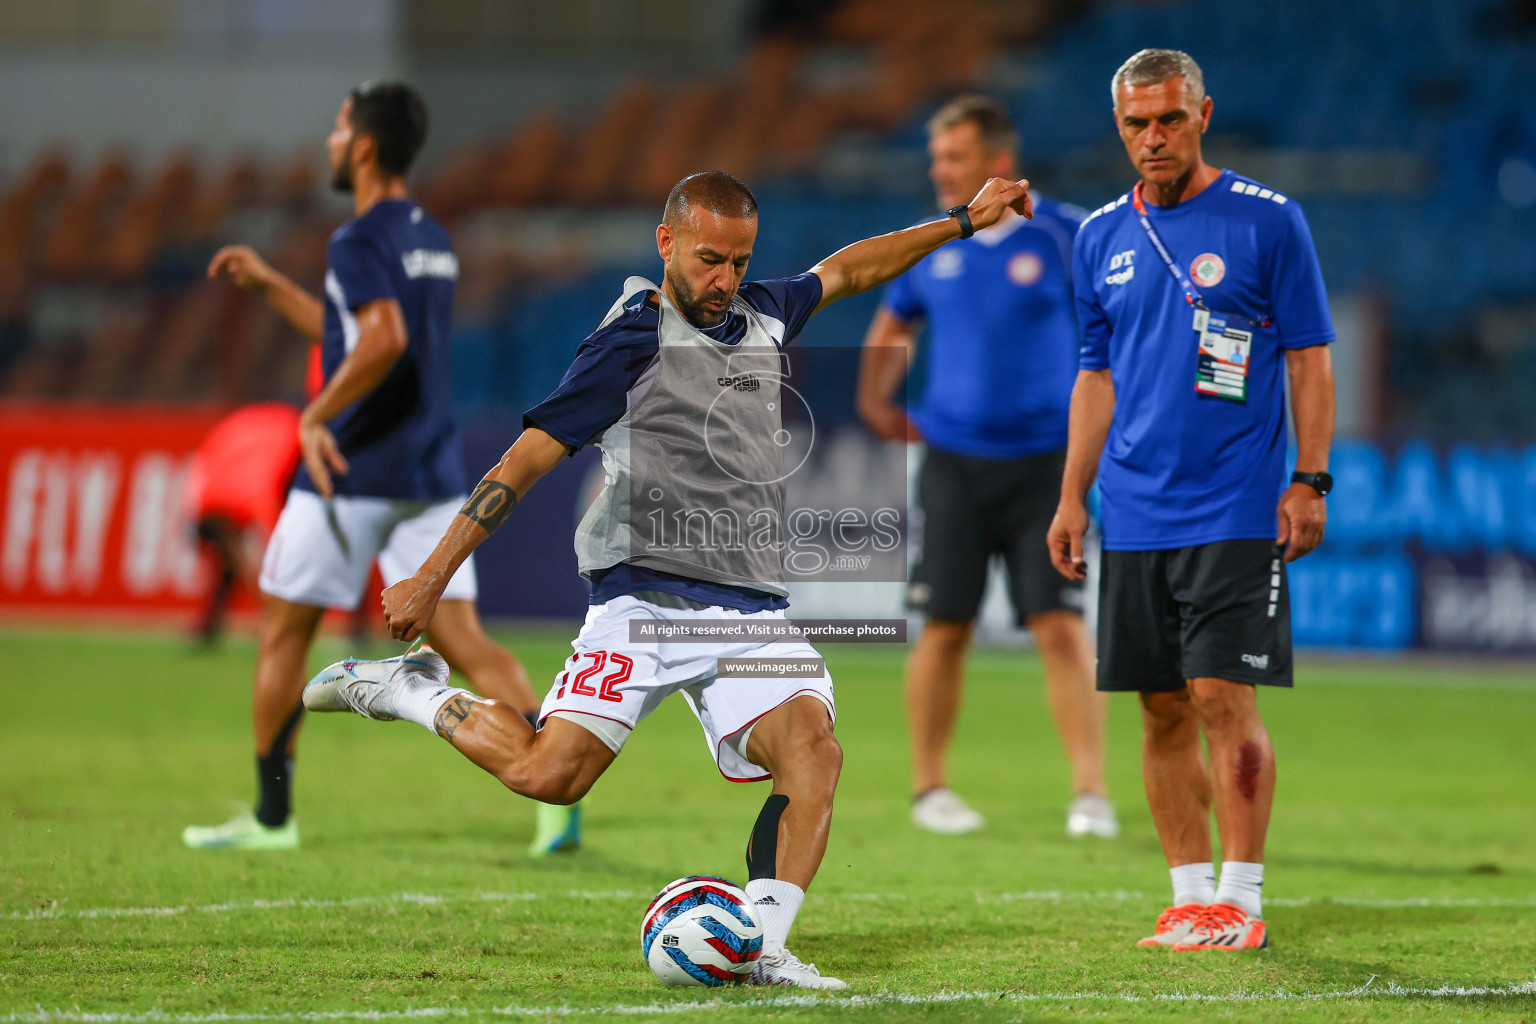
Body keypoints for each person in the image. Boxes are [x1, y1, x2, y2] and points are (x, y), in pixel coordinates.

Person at [302, 169, 1035, 988]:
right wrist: (431, 578)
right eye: (709, 259)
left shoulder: (762, 314)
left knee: (812, 752)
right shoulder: (627, 344)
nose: (724, 280)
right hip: (641, 599)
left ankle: (762, 947)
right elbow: (524, 462)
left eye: (738, 261)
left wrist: (961, 222)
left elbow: (853, 268)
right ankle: (411, 692)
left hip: (750, 611)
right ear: (666, 243)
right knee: (552, 775)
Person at [183, 81, 571, 856]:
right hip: (428, 474)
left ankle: (272, 818)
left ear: (362, 146)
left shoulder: (355, 240)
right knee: (468, 641)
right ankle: (556, 801)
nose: (329, 141)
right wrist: (271, 288)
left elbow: (381, 341)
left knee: (285, 637)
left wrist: (317, 414)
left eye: (335, 129)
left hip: (350, 473)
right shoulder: (430, 235)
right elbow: (355, 332)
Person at [1048, 50, 1335, 951]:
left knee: (1221, 694)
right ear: (1120, 126)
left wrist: (1310, 477)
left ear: (1203, 112)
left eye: (1170, 119)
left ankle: (1241, 902)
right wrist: (1071, 497)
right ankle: (1189, 897)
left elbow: (1308, 357)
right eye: (1137, 123)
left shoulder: (1268, 222)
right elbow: (1094, 377)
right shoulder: (1098, 236)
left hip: (1236, 504)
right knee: (1160, 705)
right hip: (1133, 511)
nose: (1153, 137)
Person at [857, 95, 1115, 839]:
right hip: (954, 463)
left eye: (955, 159)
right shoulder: (932, 242)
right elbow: (891, 321)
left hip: (1046, 467)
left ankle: (1090, 792)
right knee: (944, 625)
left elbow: (1112, 334)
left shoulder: (1067, 234)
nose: (940, 172)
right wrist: (877, 398)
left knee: (1060, 627)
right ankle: (930, 787)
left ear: (998, 163)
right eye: (936, 160)